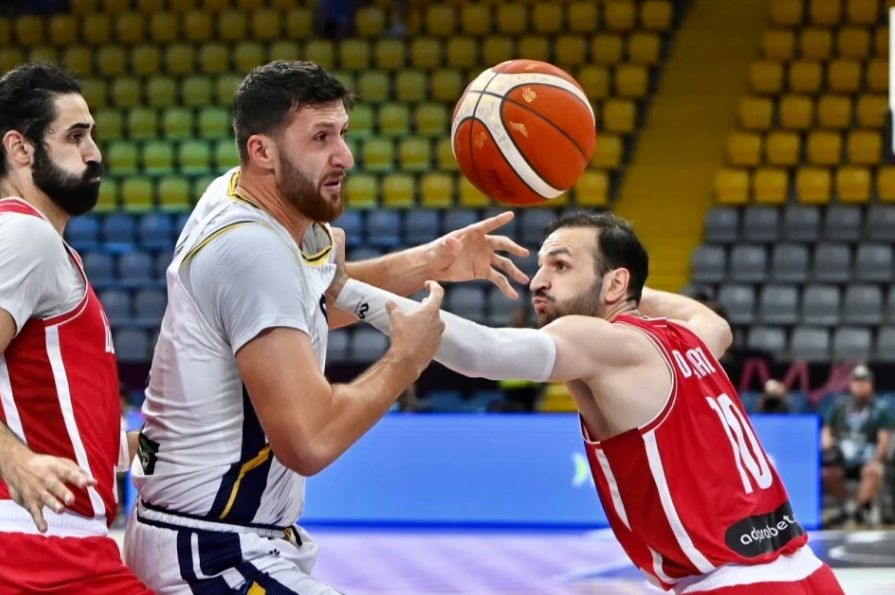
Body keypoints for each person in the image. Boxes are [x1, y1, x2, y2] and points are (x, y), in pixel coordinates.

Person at [124, 60, 527, 593]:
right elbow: (309, 442)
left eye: (342, 133)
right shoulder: (252, 250)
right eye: (320, 137)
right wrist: (407, 358)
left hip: (208, 535)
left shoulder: (244, 197)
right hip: (212, 552)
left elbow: (307, 301)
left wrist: (431, 261)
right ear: (261, 151)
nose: (345, 156)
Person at [331, 211, 844, 594]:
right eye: (541, 265)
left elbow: (481, 352)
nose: (538, 280)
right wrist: (624, 286)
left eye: (561, 265)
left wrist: (344, 289)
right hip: (808, 573)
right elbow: (714, 321)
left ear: (614, 282)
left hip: (734, 583)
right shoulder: (690, 338)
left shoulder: (604, 339)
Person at [0, 63, 150, 592]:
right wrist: (13, 458)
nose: (94, 154)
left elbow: (76, 440)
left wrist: (159, 445)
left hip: (60, 544)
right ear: (20, 148)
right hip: (40, 547)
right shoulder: (24, 237)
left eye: (93, 136)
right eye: (75, 136)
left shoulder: (43, 246)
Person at [821, 364, 893, 527]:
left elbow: (884, 439)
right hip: (842, 458)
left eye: (864, 382)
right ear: (851, 385)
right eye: (857, 382)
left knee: (874, 471)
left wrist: (876, 459)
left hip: (867, 458)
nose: (860, 385)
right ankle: (847, 507)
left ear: (871, 384)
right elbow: (827, 430)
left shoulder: (881, 408)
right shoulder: (840, 407)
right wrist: (827, 442)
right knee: (826, 473)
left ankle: (857, 510)